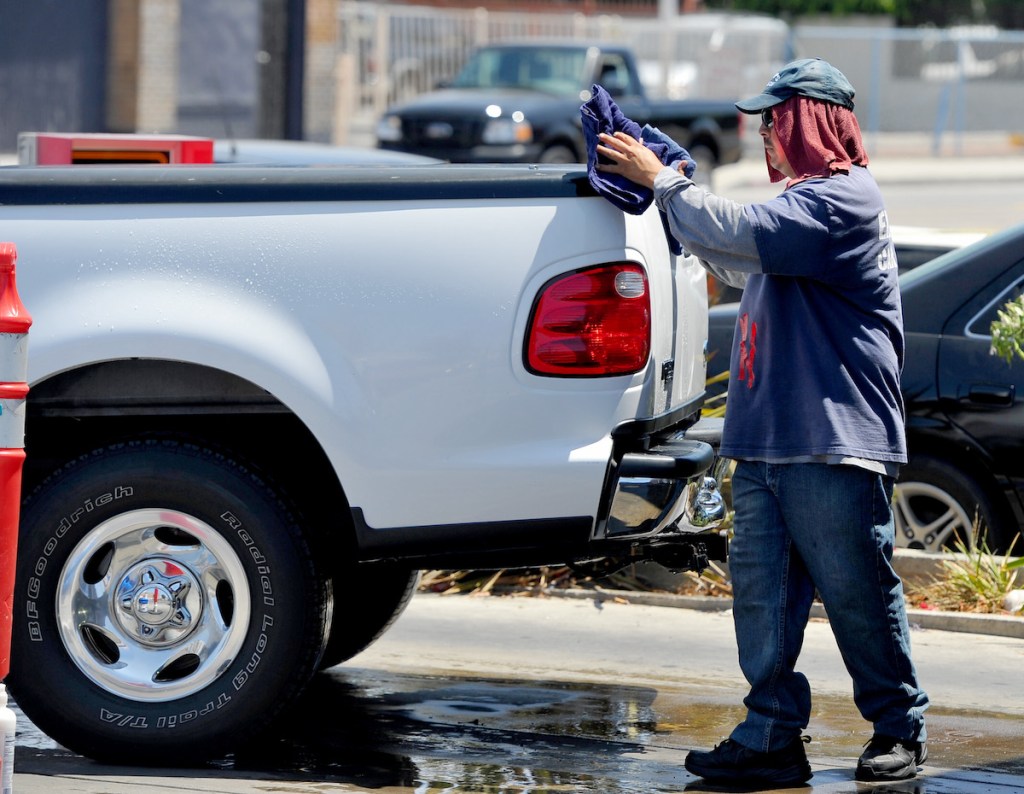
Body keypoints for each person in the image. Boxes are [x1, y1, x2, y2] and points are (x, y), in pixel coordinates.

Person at [595, 58, 930, 786]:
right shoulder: (799, 213)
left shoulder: (845, 201)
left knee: (857, 594)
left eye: (775, 120)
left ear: (813, 121)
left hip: (835, 443)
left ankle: (898, 727)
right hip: (767, 439)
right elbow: (731, 251)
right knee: (763, 602)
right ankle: (771, 735)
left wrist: (667, 180)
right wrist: (665, 191)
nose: (764, 133)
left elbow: (741, 231)